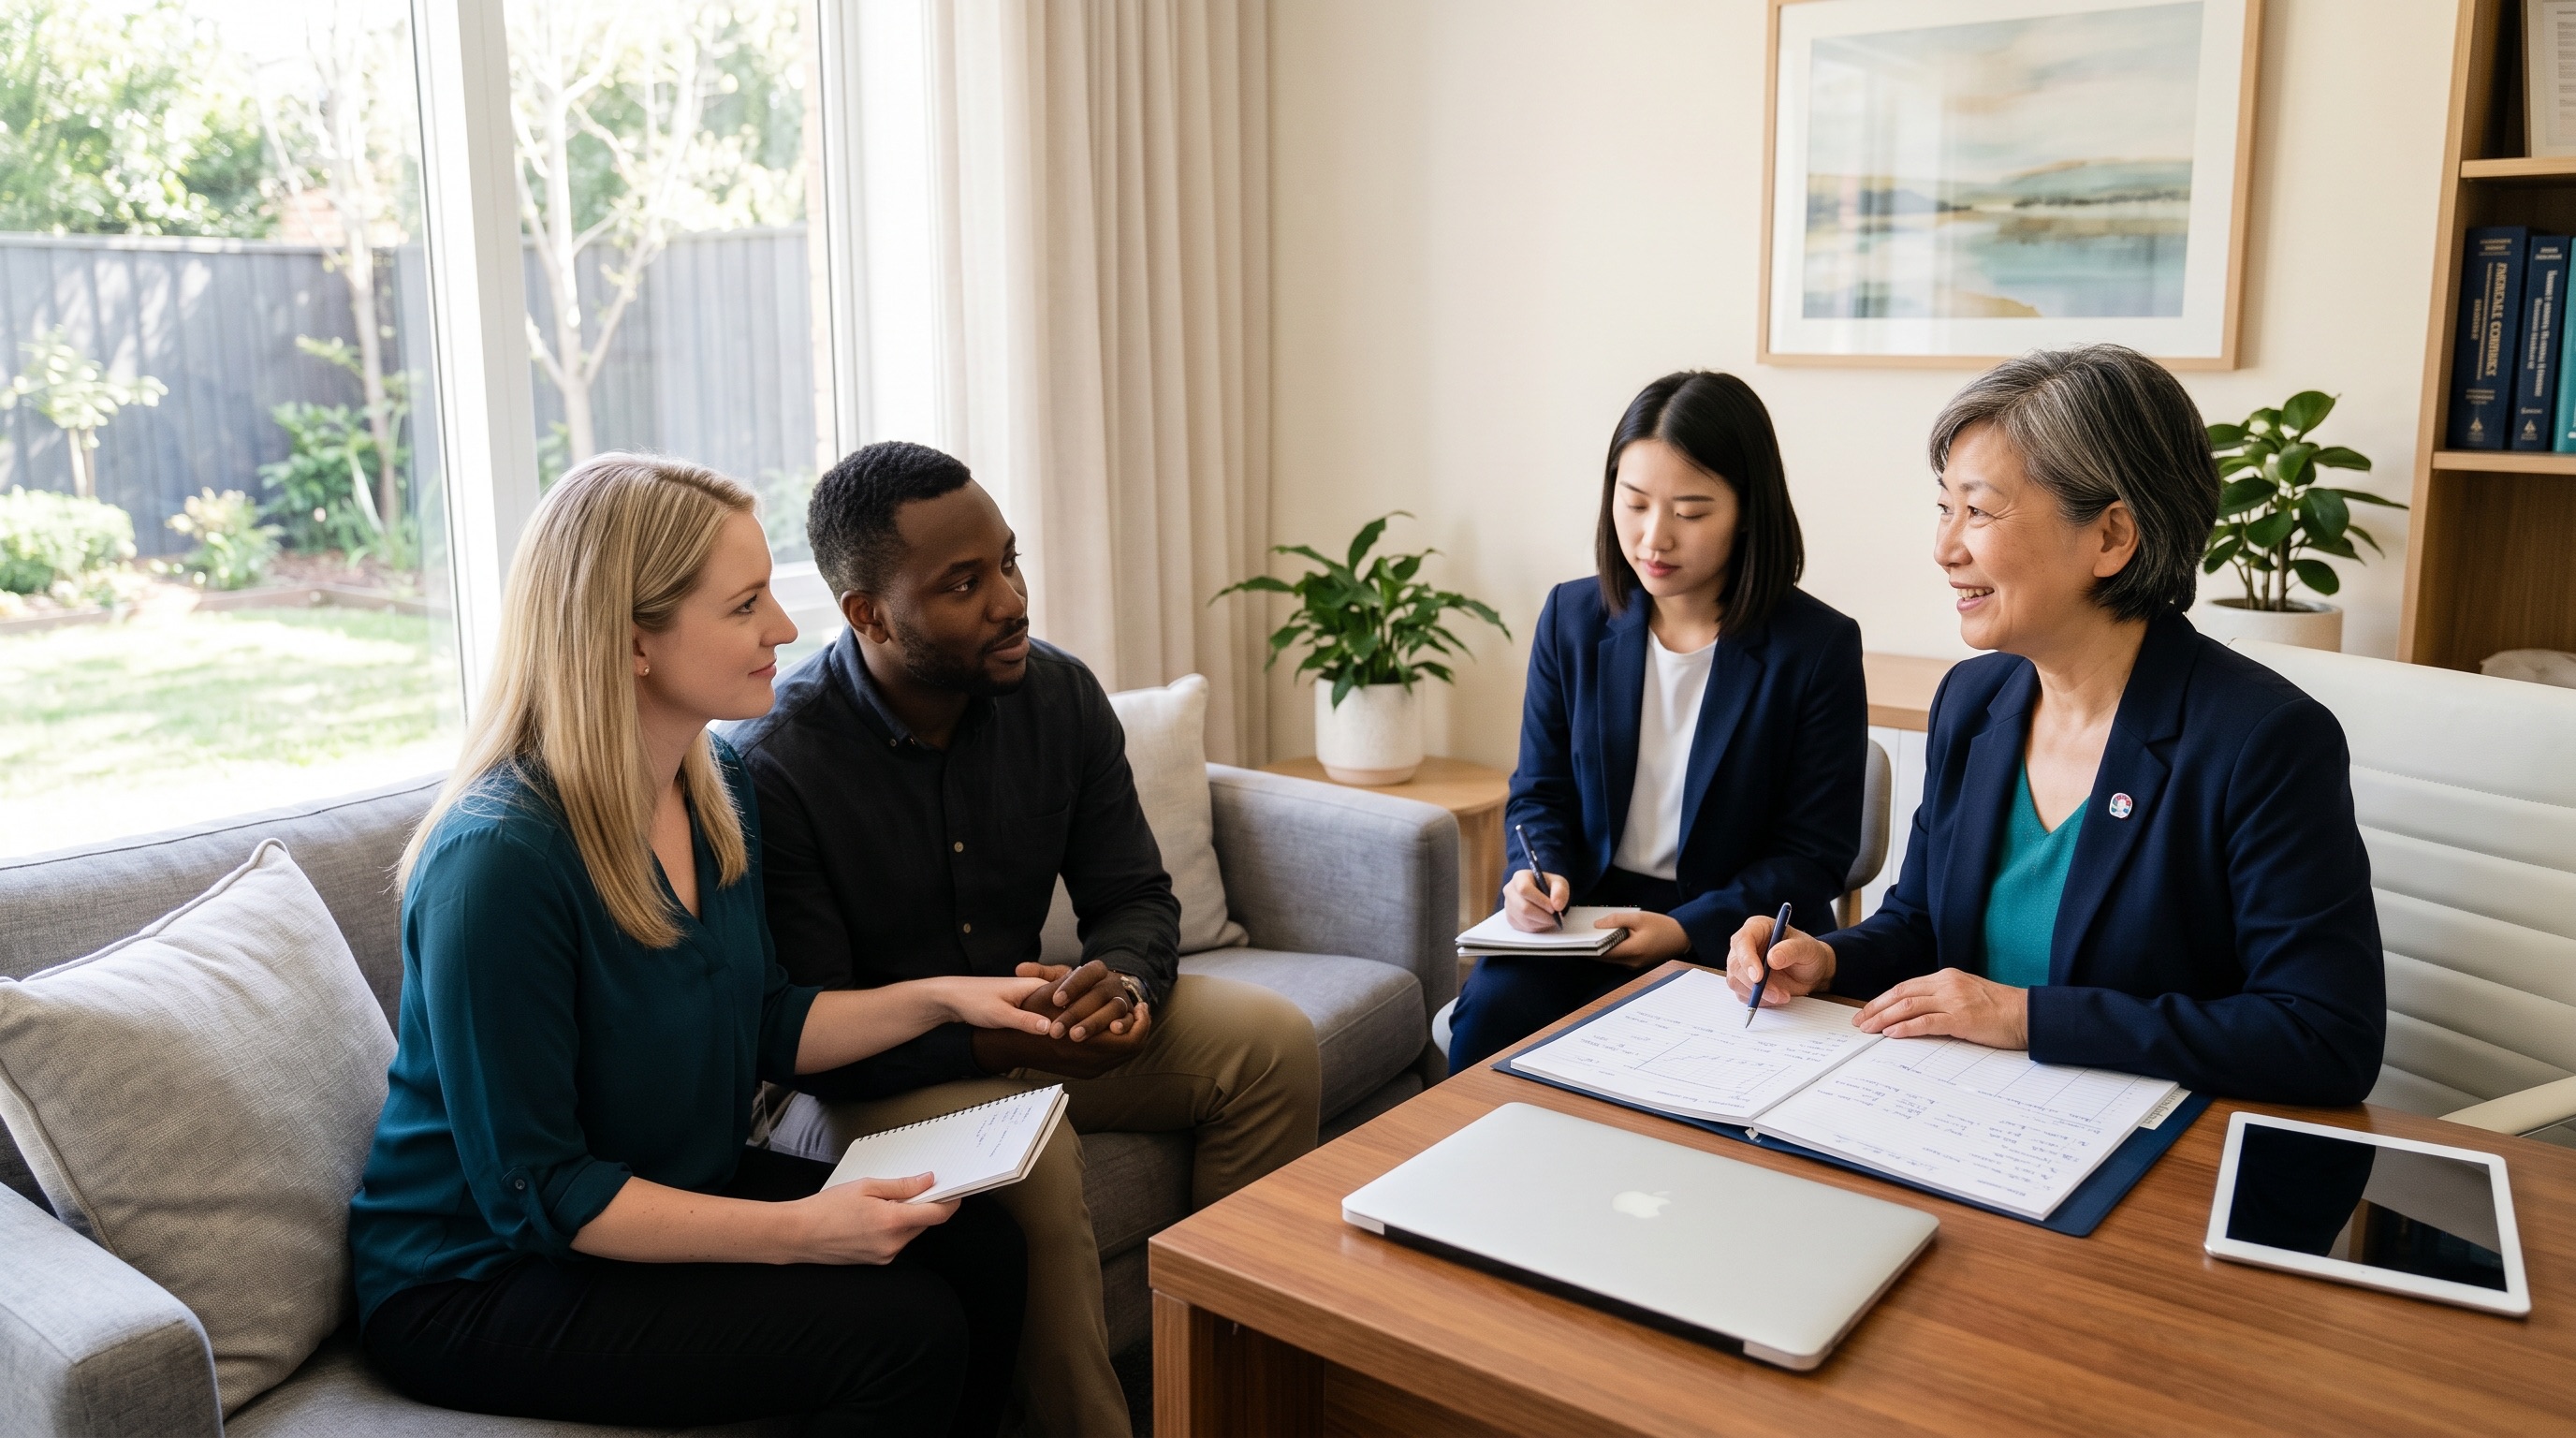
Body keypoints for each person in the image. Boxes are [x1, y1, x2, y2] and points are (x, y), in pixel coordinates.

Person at [350, 454, 1063, 1436]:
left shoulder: (714, 786)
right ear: (632, 641)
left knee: (982, 1246)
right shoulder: (498, 864)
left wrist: (947, 997)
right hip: (480, 1273)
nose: (784, 628)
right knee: (903, 1332)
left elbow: (765, 1018)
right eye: (745, 605)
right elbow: (541, 1191)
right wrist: (800, 1232)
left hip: (668, 1187)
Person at [726, 439, 1323, 1438]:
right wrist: (991, 1043)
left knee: (1271, 1045)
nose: (1011, 601)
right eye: (965, 583)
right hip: (859, 1082)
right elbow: (804, 1036)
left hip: (1025, 1026)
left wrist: (1124, 987)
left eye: (1008, 561)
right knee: (1028, 1155)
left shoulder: (1058, 695)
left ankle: (1229, 1398)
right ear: (869, 615)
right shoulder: (774, 766)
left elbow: (1134, 895)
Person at [1723, 345, 2386, 1105]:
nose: (1944, 549)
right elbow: (1923, 924)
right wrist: (1828, 960)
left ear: (2111, 536)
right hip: (1963, 1110)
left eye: (1979, 511)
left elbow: (2324, 1037)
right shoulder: (1972, 701)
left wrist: (2027, 1018)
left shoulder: (2264, 742)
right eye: (1944, 508)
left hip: (2148, 1145)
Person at [1446, 370, 1868, 1072]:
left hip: (1736, 930)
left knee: (1707, 1075)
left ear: (1748, 511)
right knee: (1491, 1019)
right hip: (1588, 918)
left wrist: (1681, 929)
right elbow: (1540, 795)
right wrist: (1535, 874)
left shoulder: (1816, 646)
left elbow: (1813, 854)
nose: (1653, 537)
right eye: (1634, 502)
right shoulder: (1572, 619)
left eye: (1691, 512)